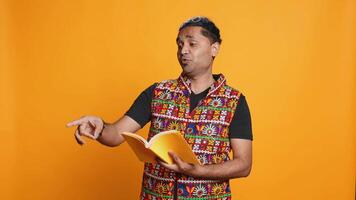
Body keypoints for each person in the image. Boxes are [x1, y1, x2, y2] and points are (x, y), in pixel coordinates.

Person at [67, 16, 253, 200]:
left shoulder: (234, 101)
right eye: (180, 45)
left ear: (214, 49)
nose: (183, 51)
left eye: (192, 44)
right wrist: (100, 127)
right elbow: (115, 134)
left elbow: (243, 165)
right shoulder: (157, 92)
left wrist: (197, 170)